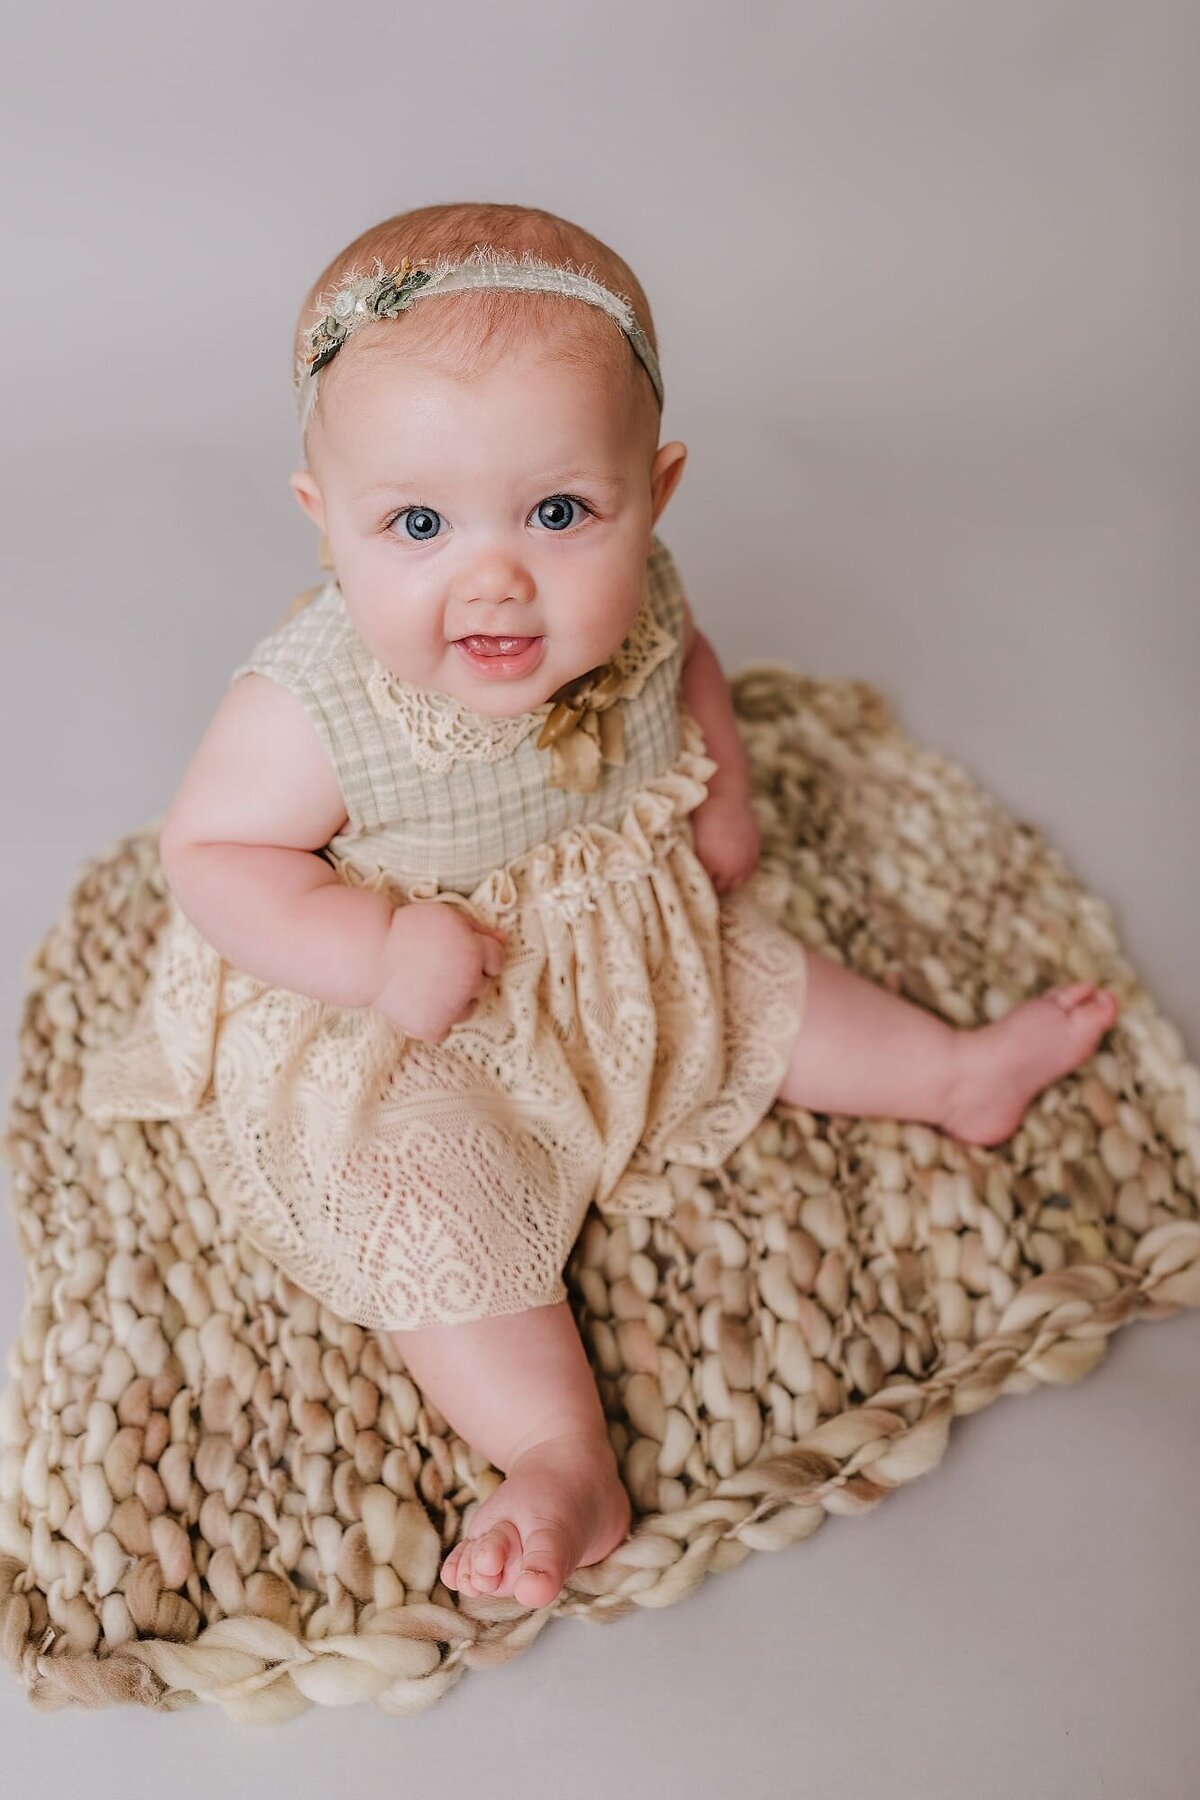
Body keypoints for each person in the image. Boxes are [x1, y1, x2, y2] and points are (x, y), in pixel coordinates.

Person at [79, 200, 1121, 1611]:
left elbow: (688, 663)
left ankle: (956, 1075)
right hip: (413, 1018)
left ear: (655, 489)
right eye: (420, 523)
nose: (496, 574)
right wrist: (375, 949)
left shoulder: (637, 599)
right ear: (325, 522)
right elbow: (212, 861)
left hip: (618, 947)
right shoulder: (312, 704)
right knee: (431, 1194)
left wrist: (726, 792)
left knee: (763, 983)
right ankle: (560, 1450)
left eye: (561, 511)